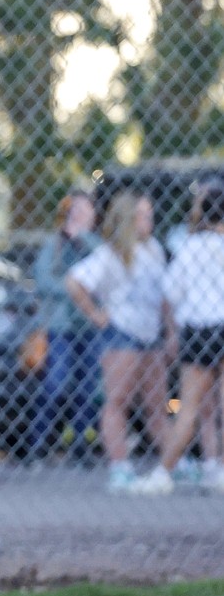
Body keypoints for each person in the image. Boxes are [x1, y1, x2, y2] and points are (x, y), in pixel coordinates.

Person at [65, 191, 169, 492]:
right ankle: (119, 467)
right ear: (128, 219)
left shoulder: (153, 249)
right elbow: (74, 282)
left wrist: (169, 329)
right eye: (143, 215)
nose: (149, 220)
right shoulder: (111, 253)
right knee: (118, 400)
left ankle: (172, 461)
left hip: (150, 334)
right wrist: (96, 314)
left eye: (150, 214)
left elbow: (162, 295)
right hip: (122, 332)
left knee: (156, 405)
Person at [134, 179, 224, 495]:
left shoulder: (189, 246)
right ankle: (216, 468)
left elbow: (171, 291)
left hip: (199, 328)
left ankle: (164, 474)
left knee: (191, 406)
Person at [30, 190, 102, 460]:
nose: (83, 215)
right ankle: (38, 443)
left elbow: (106, 268)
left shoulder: (94, 243)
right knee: (56, 384)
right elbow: (43, 279)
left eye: (87, 211)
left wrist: (84, 237)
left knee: (88, 388)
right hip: (60, 326)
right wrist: (74, 290)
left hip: (89, 326)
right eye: (78, 211)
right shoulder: (55, 244)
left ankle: (81, 444)